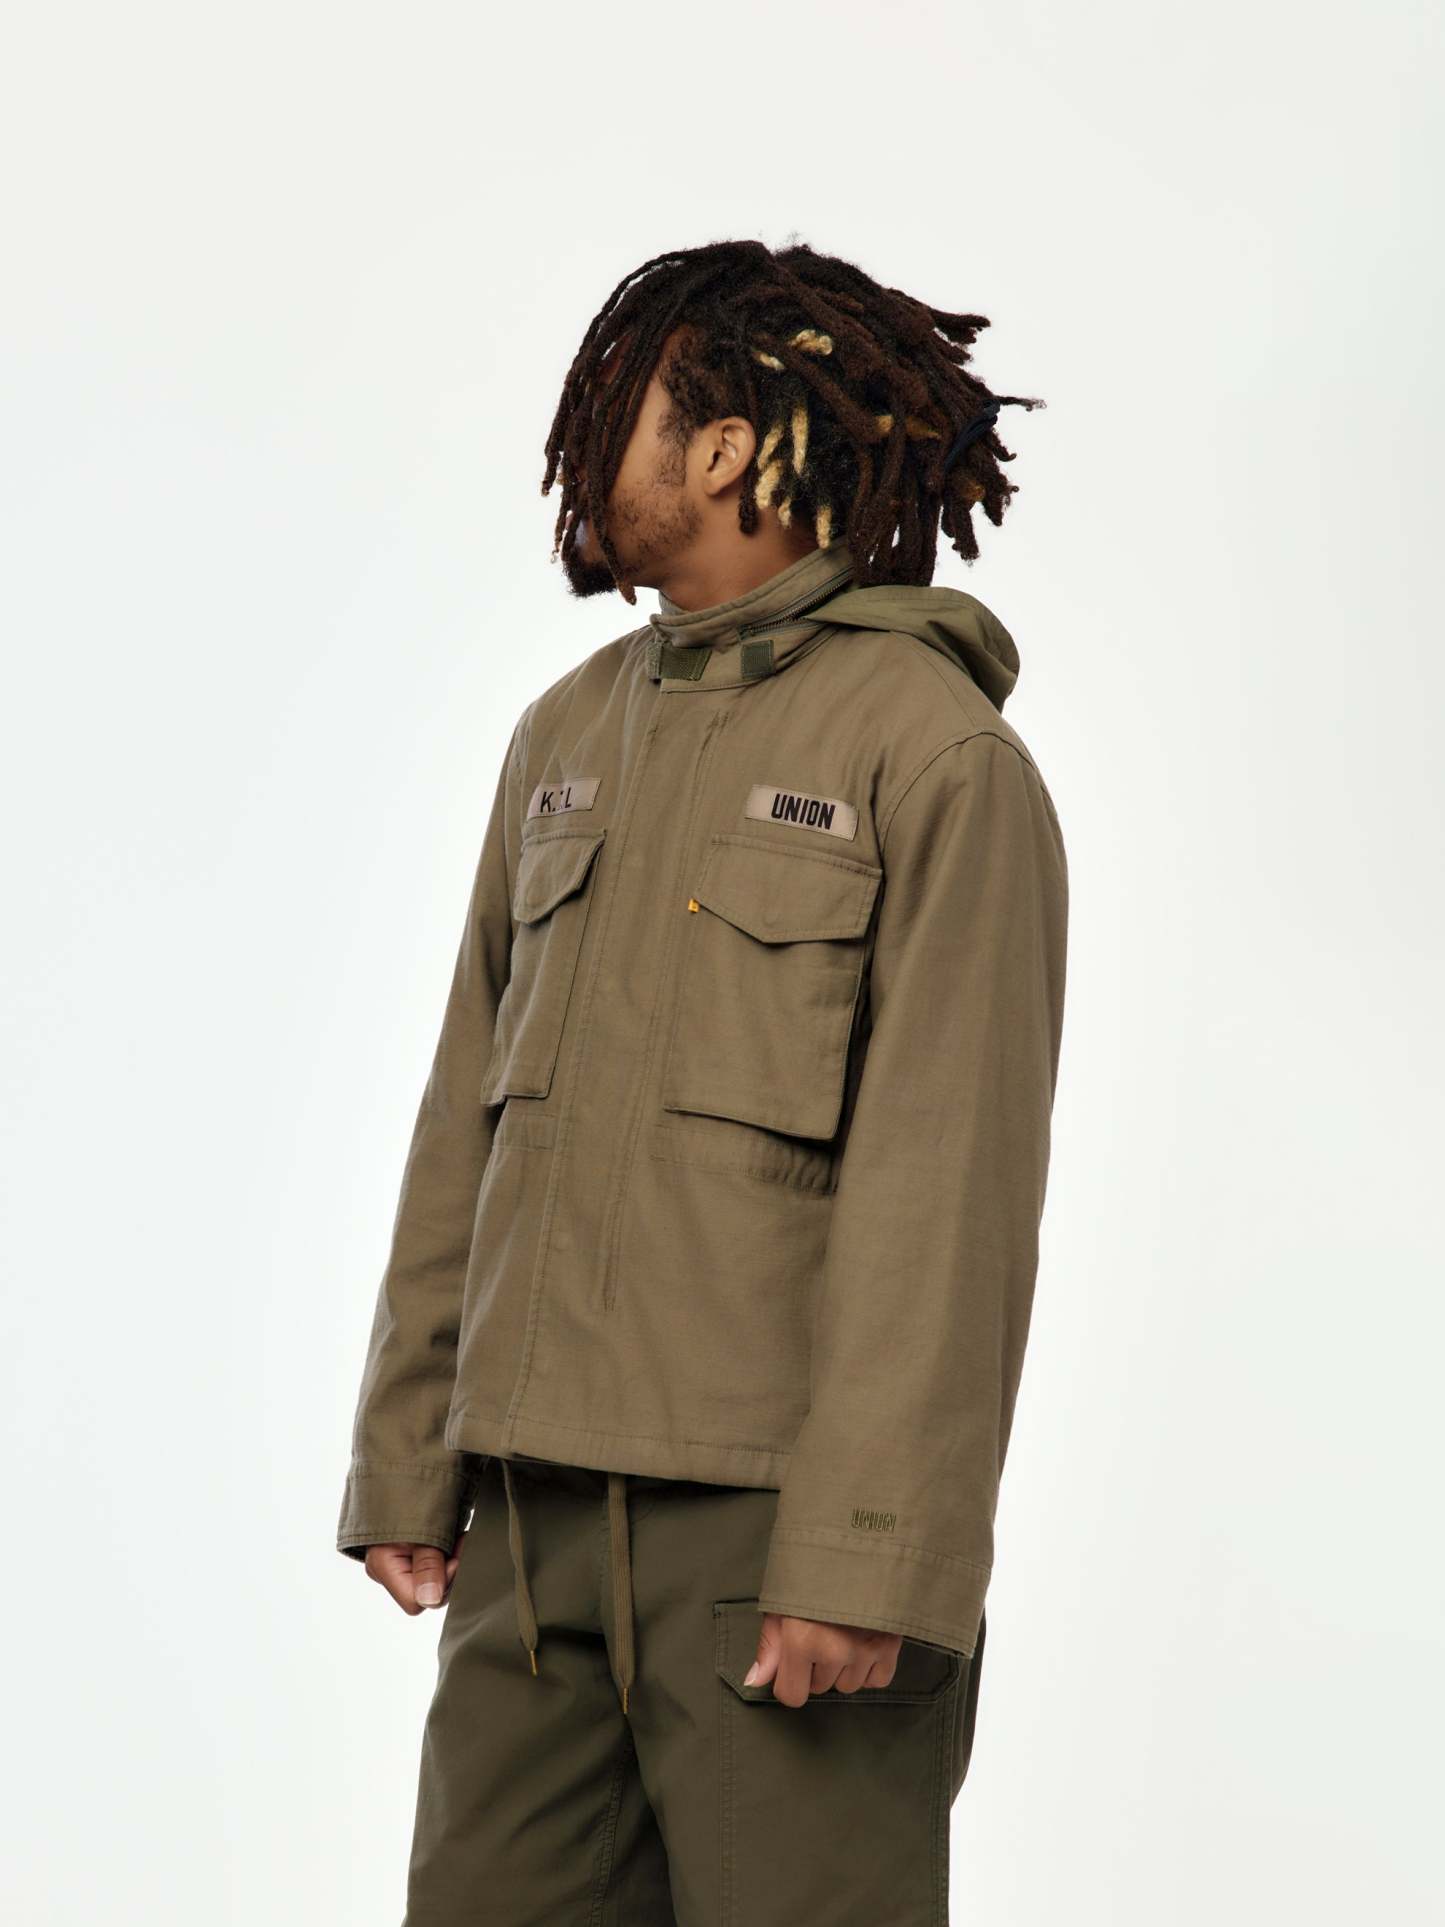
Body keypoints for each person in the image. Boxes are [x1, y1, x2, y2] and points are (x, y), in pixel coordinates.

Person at [336, 236, 1070, 1924]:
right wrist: (408, 1453)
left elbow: (947, 1193)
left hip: (771, 1549)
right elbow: (465, 1114)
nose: (582, 460)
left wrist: (866, 1551)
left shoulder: (933, 754)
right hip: (527, 1541)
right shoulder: (563, 736)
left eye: (620, 417)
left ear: (725, 448)